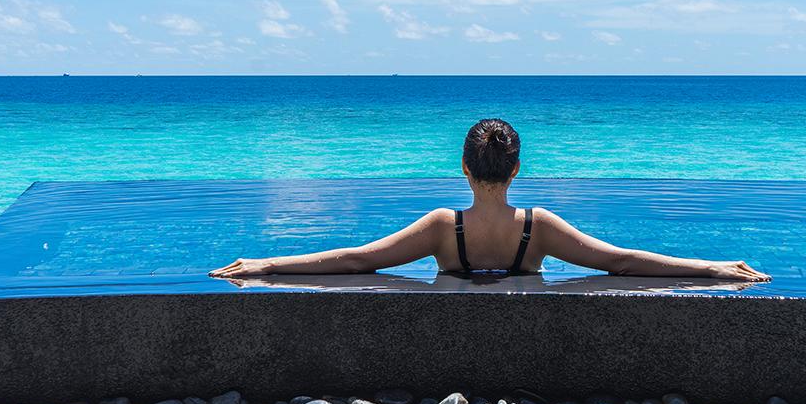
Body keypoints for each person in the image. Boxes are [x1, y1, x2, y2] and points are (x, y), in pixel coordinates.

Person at [210, 118, 771, 288]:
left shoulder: (440, 226)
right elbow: (618, 261)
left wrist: (270, 264)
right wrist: (709, 268)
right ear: (517, 170)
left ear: (463, 168)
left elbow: (360, 259)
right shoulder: (539, 226)